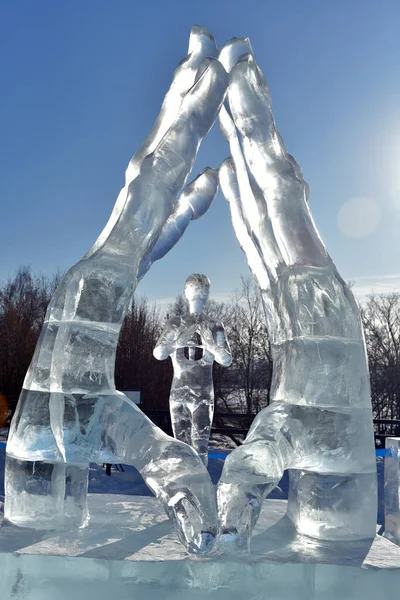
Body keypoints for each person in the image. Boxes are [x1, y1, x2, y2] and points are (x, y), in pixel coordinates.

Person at [154, 274, 232, 466]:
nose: (199, 295)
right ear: (186, 293)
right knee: (182, 447)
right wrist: (176, 344)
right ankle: (186, 487)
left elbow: (227, 359)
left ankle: (200, 490)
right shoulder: (175, 324)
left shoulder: (214, 326)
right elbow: (158, 353)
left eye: (202, 291)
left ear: (207, 295)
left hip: (203, 395)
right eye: (195, 290)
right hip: (179, 393)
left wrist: (211, 346)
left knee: (201, 447)